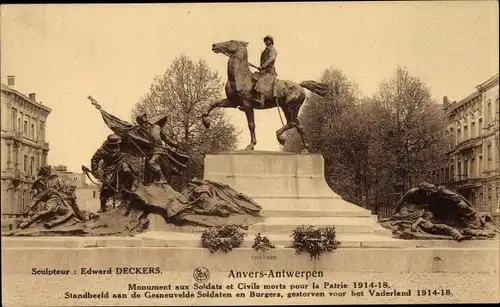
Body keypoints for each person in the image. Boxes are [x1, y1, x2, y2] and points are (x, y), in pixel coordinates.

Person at [91, 134, 135, 213]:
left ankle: (130, 187)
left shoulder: (120, 145)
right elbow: (94, 160)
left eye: (117, 144)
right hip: (109, 168)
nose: (116, 145)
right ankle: (102, 207)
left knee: (127, 171)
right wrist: (95, 171)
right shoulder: (102, 150)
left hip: (120, 163)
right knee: (106, 187)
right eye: (114, 144)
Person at [136, 113, 179, 184]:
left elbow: (165, 138)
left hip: (158, 149)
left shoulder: (155, 126)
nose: (145, 118)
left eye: (145, 116)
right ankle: (147, 182)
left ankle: (163, 178)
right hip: (150, 151)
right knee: (147, 167)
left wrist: (174, 144)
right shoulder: (141, 131)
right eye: (143, 117)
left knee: (151, 162)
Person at [254, 35, 278, 107]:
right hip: (264, 72)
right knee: (254, 77)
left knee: (261, 81)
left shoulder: (272, 50)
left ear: (271, 41)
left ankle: (261, 101)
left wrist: (263, 66)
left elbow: (271, 58)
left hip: (270, 72)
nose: (266, 42)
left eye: (268, 40)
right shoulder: (265, 50)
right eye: (265, 40)